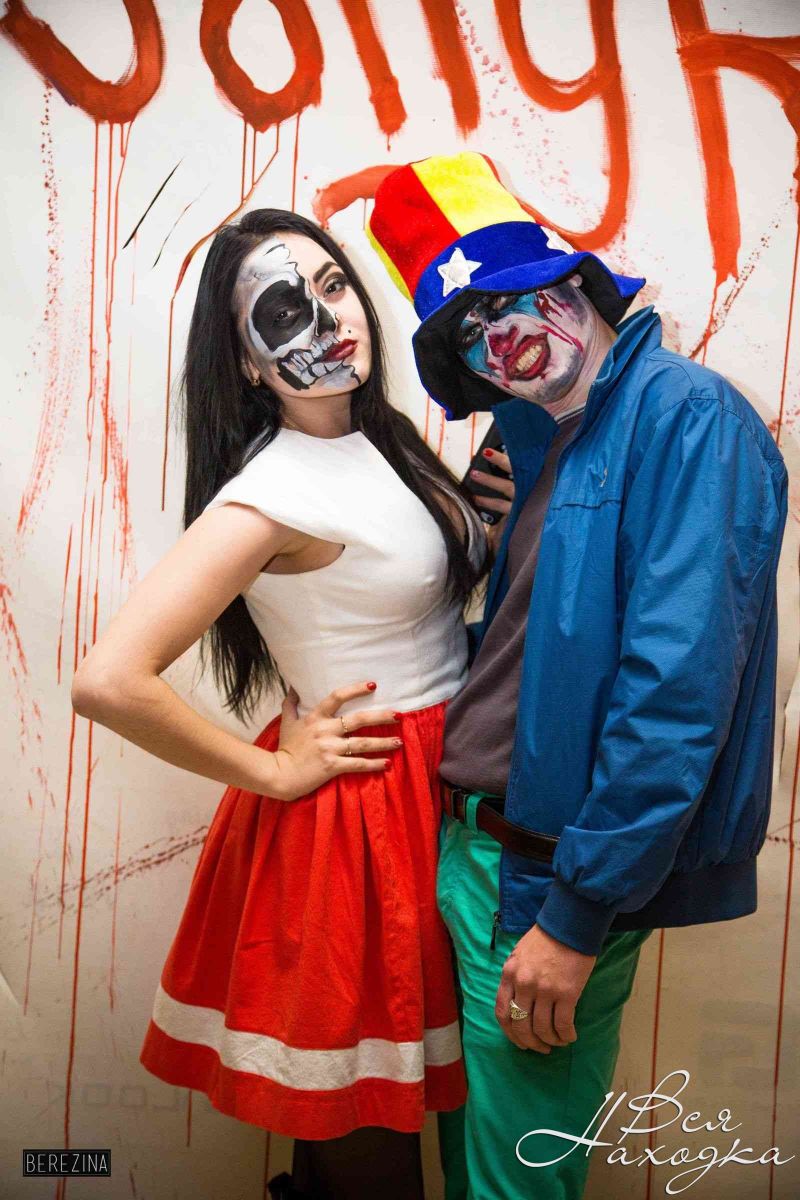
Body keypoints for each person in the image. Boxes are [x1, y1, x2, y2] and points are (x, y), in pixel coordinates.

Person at [367, 151, 789, 1199]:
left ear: (578, 282)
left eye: (513, 295)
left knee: (515, 1183)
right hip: (469, 853)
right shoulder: (544, 443)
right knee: (473, 1167)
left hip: (545, 876)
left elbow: (676, 694)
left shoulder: (687, 417)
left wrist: (574, 913)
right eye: (467, 328)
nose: (499, 334)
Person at [70, 208, 496, 1200]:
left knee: (381, 1113)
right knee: (367, 1141)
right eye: (284, 310)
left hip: (432, 792)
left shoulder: (378, 437)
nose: (329, 320)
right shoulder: (269, 494)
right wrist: (269, 768)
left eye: (334, 285)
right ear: (247, 363)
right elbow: (108, 680)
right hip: (362, 819)